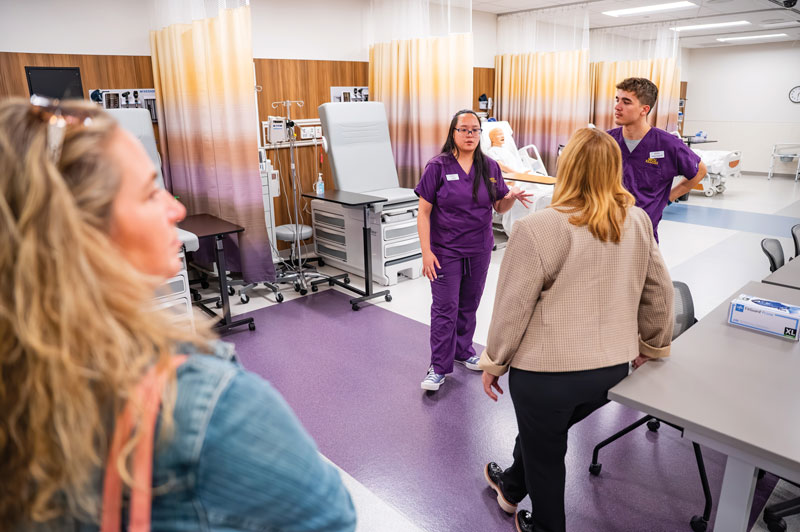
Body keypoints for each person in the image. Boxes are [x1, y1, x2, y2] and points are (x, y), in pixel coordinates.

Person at [0, 97, 356, 531]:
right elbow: (329, 515)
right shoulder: (202, 405)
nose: (177, 209)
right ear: (78, 231)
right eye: (151, 193)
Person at [479, 128, 674, 532]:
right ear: (614, 170)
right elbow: (660, 292)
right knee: (542, 435)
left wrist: (494, 362)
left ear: (565, 169)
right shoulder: (637, 220)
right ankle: (512, 486)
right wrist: (651, 347)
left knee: (546, 450)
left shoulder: (538, 228)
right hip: (612, 372)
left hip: (547, 375)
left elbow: (512, 309)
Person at [415, 109, 533, 391]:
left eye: (475, 130)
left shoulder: (490, 167)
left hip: (479, 248)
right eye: (464, 130)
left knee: (469, 303)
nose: (470, 135)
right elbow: (423, 212)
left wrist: (510, 197)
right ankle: (438, 366)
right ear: (453, 133)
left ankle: (463, 349)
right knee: (445, 308)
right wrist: (426, 251)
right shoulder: (438, 166)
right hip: (445, 250)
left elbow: (498, 206)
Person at [608, 77, 707, 241]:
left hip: (643, 233)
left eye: (626, 102)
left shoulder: (668, 144)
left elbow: (700, 170)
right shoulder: (607, 141)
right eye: (617, 100)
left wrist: (668, 198)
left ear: (644, 109)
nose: (617, 107)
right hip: (606, 229)